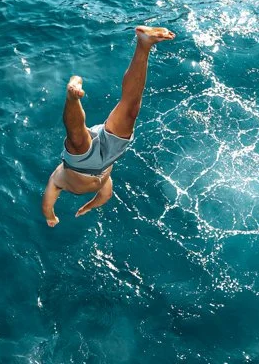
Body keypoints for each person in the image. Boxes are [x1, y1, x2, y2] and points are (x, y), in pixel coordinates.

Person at [41, 25, 176, 227]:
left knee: (76, 138)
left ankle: (72, 96)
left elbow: (47, 203)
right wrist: (88, 206)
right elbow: (105, 196)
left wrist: (50, 216)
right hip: (109, 155)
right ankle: (144, 44)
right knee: (131, 110)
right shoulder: (106, 183)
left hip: (79, 165)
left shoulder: (57, 180)